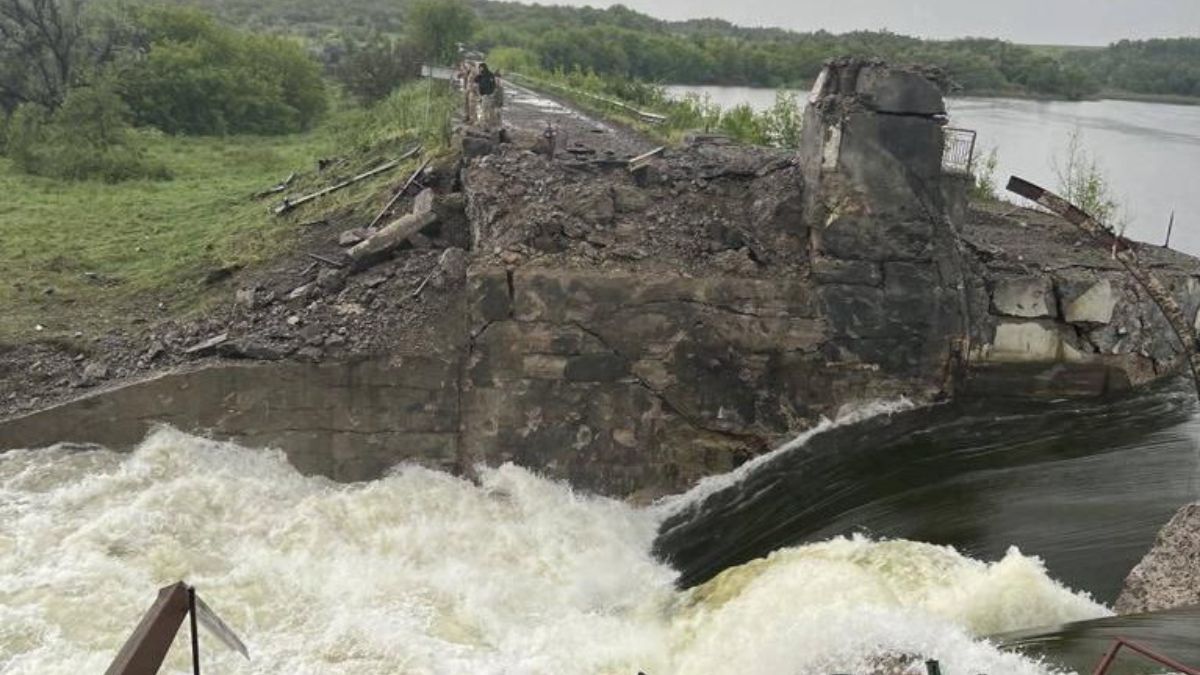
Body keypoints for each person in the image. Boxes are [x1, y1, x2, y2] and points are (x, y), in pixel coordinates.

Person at [474, 63, 501, 128]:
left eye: (480, 67)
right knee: (484, 110)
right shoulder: (481, 75)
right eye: (479, 68)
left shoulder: (490, 75)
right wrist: (478, 74)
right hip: (483, 95)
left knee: (486, 110)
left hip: (487, 95)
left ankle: (486, 125)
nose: (480, 69)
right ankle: (486, 124)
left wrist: (490, 93)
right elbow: (475, 80)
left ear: (484, 67)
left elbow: (493, 85)